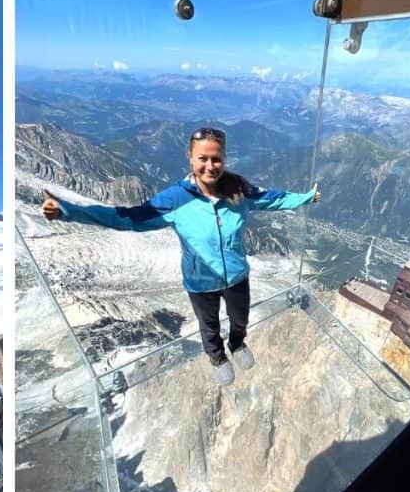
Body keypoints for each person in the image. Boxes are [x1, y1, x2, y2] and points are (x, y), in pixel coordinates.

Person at [41, 126, 321, 386]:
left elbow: (272, 198)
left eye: (216, 158)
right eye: (203, 158)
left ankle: (237, 343)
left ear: (224, 158)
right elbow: (129, 218)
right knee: (209, 324)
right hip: (200, 281)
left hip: (237, 274)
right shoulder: (176, 199)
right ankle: (217, 356)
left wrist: (305, 198)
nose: (210, 166)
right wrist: (68, 211)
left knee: (240, 318)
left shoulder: (238, 190)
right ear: (190, 159)